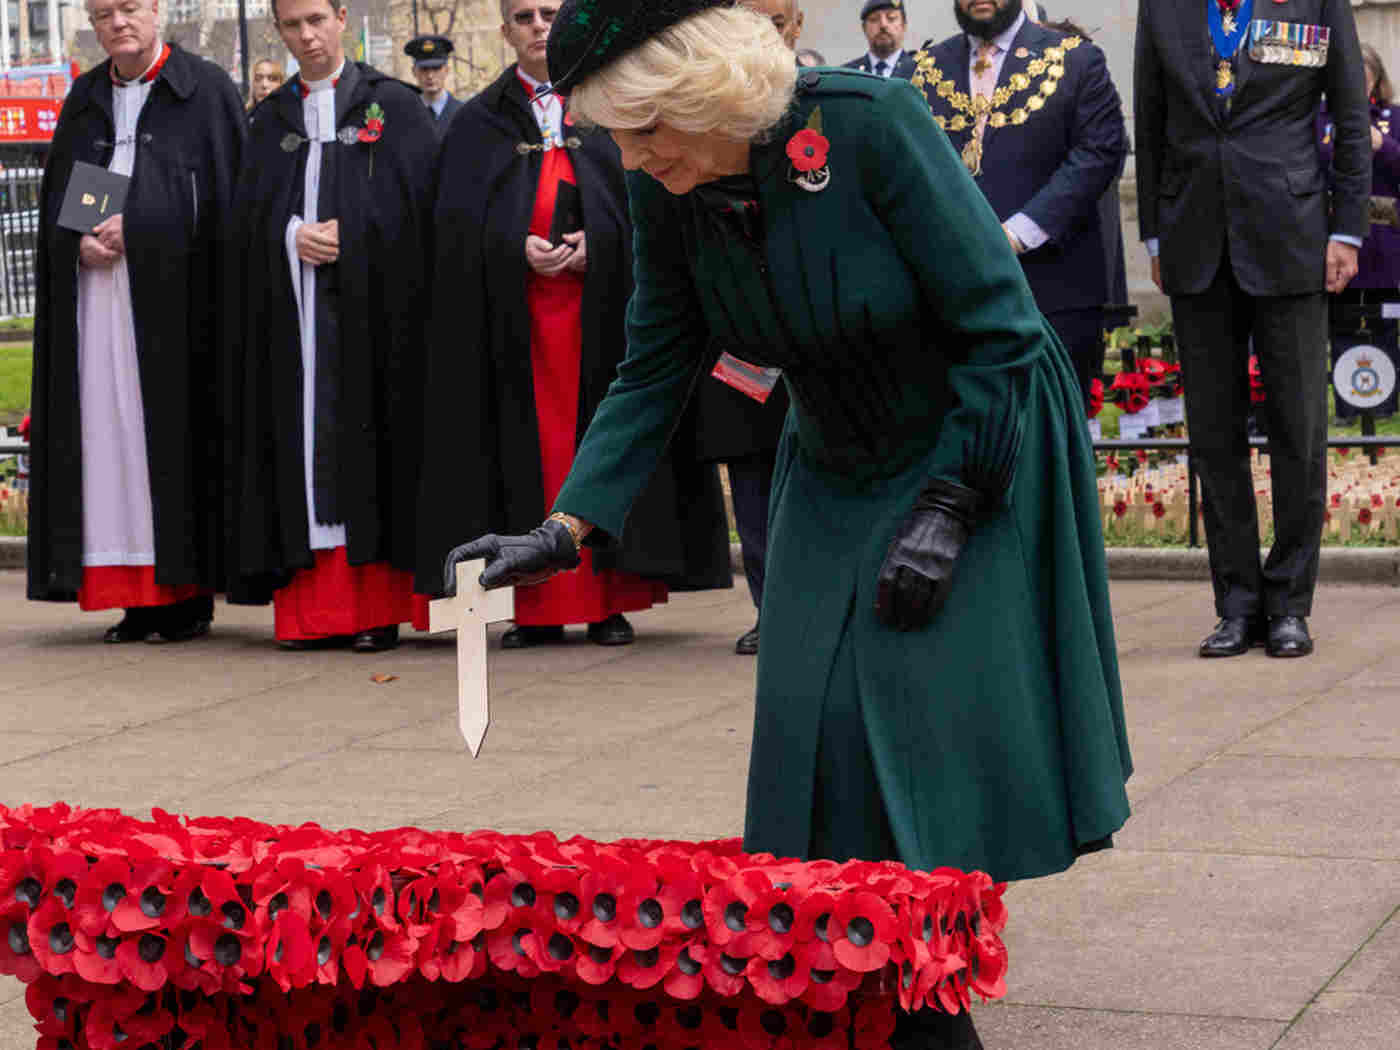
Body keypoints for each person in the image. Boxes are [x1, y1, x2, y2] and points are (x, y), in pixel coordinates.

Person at [446, 3, 1133, 1047]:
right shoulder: (667, 182)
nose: (631, 158)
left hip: (968, 440)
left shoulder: (872, 126)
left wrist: (950, 507)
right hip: (833, 460)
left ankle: (928, 1016)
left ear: (702, 95)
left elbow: (998, 333)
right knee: (809, 742)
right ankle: (856, 1004)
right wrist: (568, 525)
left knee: (915, 731)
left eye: (643, 132)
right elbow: (654, 362)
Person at [416, 0, 732, 650]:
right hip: (516, 335)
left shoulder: (615, 101)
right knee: (527, 457)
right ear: (505, 30)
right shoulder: (477, 123)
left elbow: (650, 204)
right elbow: (450, 231)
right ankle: (532, 610)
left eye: (548, 12)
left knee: (601, 443)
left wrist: (603, 243)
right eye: (523, 15)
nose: (537, 26)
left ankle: (609, 600)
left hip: (601, 322)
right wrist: (511, 246)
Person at [1136, 0, 1369, 659]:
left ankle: (1290, 604)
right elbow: (1149, 121)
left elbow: (1350, 116)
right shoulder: (1164, 8)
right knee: (1215, 438)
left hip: (1291, 234)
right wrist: (1153, 230)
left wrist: (1347, 228)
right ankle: (1235, 605)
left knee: (1299, 430)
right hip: (1193, 239)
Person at [26, 0, 245, 643]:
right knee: (110, 442)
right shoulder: (92, 97)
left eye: (128, 9)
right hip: (102, 301)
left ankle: (185, 594)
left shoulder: (202, 90)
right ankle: (132, 595)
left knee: (172, 441)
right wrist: (80, 241)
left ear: (154, 10)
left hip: (179, 311)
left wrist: (143, 227)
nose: (117, 23)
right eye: (102, 15)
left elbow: (226, 199)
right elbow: (85, 190)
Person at [229, 0, 439, 651]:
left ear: (343, 17)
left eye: (317, 19)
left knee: (372, 448)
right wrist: (289, 235)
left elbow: (426, 209)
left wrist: (360, 234)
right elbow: (243, 219)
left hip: (374, 324)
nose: (307, 36)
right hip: (296, 328)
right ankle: (310, 614)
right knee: (299, 451)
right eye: (292, 25)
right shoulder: (269, 120)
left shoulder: (393, 109)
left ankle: (376, 611)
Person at [912, 0, 1126, 405]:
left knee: (1052, 436)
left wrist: (1017, 233)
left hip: (1054, 287)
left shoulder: (1076, 60)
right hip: (954, 293)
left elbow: (1099, 151)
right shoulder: (926, 69)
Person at [1320, 43, 1400, 421]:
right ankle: (1348, 404)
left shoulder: (1393, 117)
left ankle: (1384, 402)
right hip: (1334, 237)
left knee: (1384, 323)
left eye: (1363, 78)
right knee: (1342, 323)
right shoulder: (1318, 119)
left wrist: (1385, 145)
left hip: (1383, 241)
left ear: (1377, 80)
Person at [404, 34, 464, 132]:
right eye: (424, 69)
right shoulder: (406, 115)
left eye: (436, 68)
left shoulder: (462, 113)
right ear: (414, 72)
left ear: (447, 70)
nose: (430, 76)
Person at [845, 0, 915, 79]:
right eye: (874, 19)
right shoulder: (848, 75)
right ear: (864, 28)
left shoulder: (919, 71)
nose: (883, 25)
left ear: (904, 26)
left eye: (891, 18)